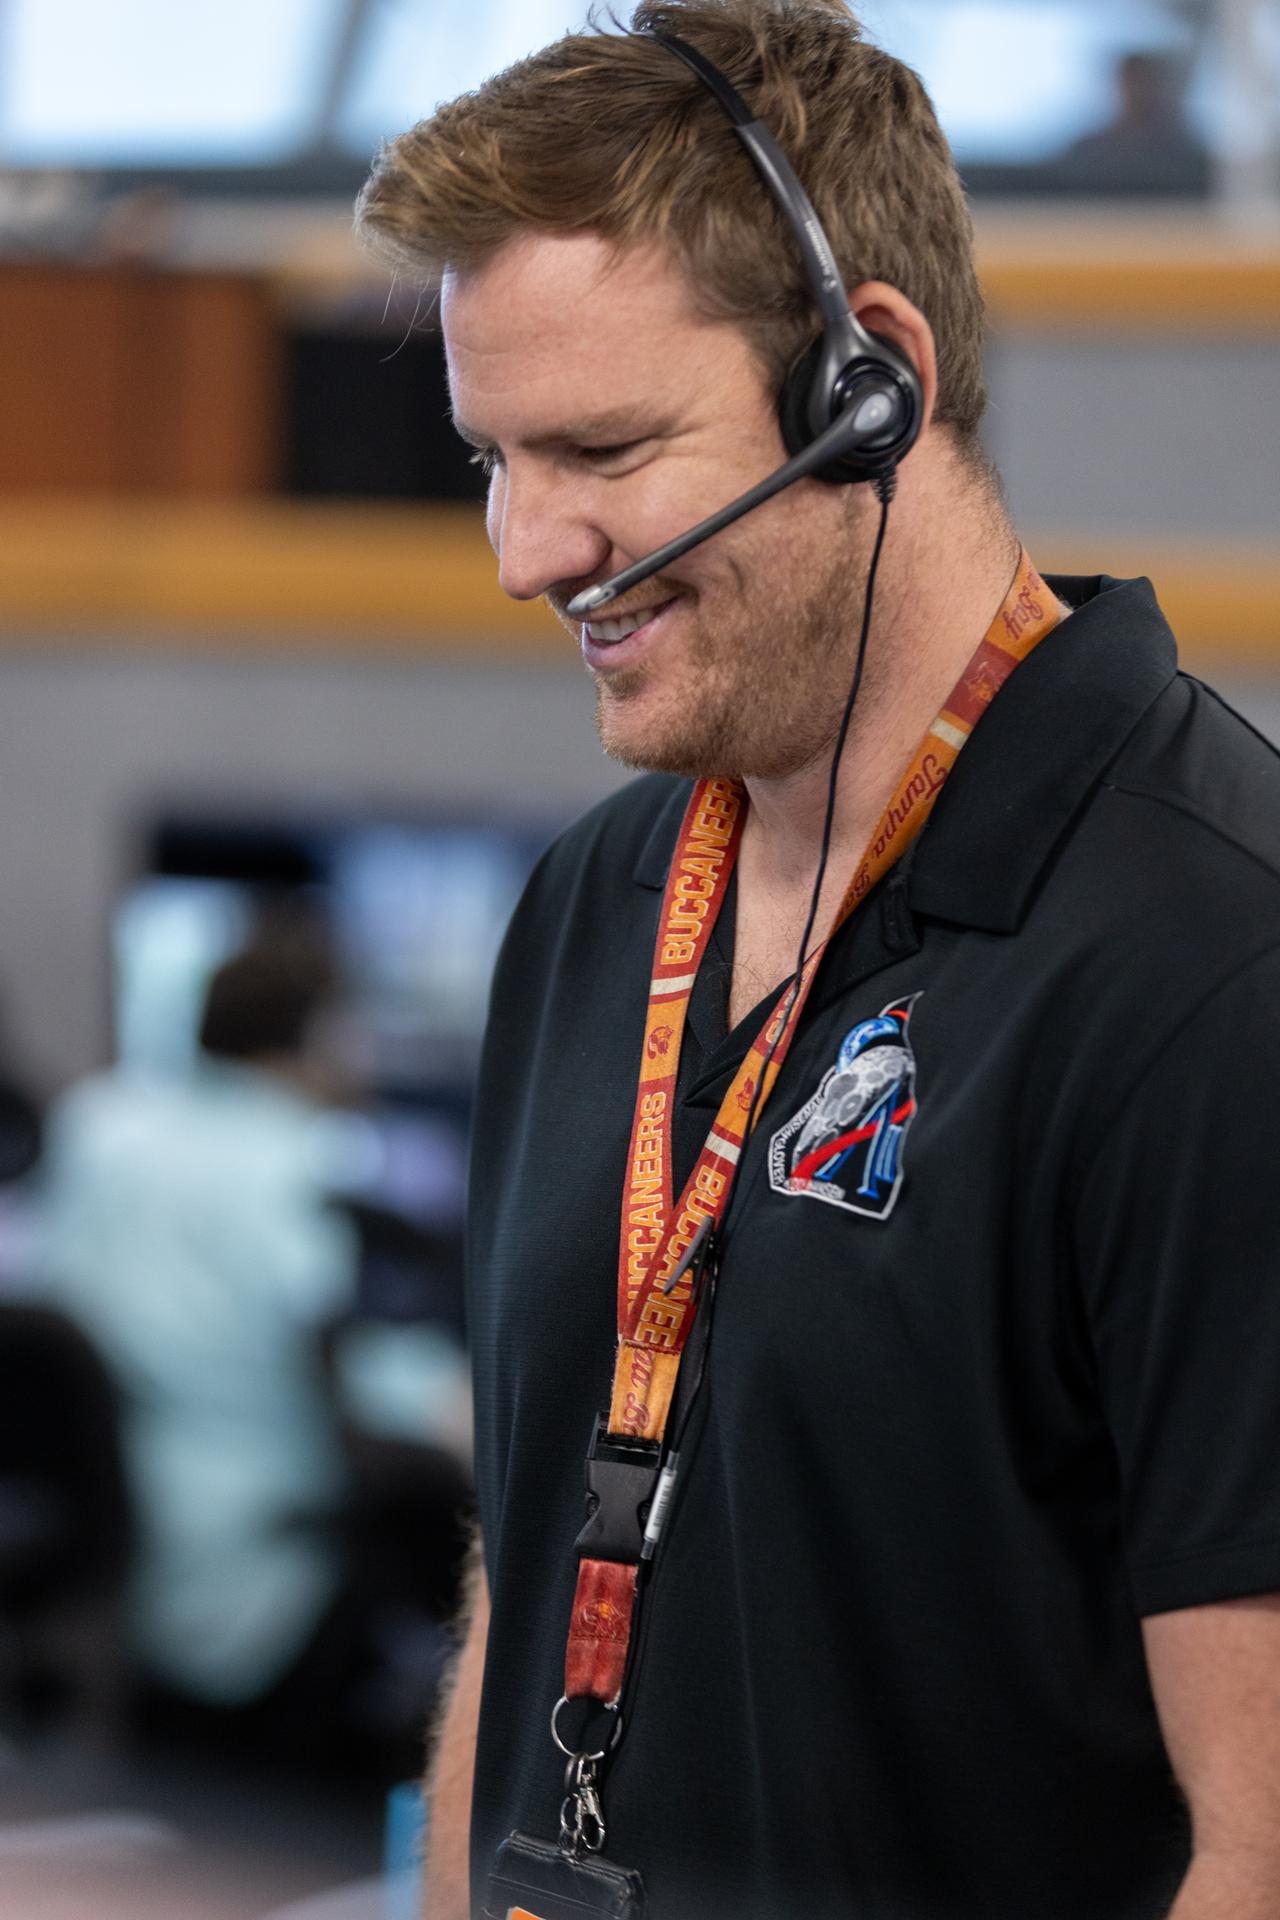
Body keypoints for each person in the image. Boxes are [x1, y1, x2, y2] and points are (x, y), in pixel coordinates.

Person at [356, 4, 1280, 1916]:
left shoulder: (1215, 955)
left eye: (602, 447)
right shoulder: (595, 902)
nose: (527, 551)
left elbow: (1261, 1848)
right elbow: (522, 1567)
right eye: (492, 459)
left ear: (876, 384)